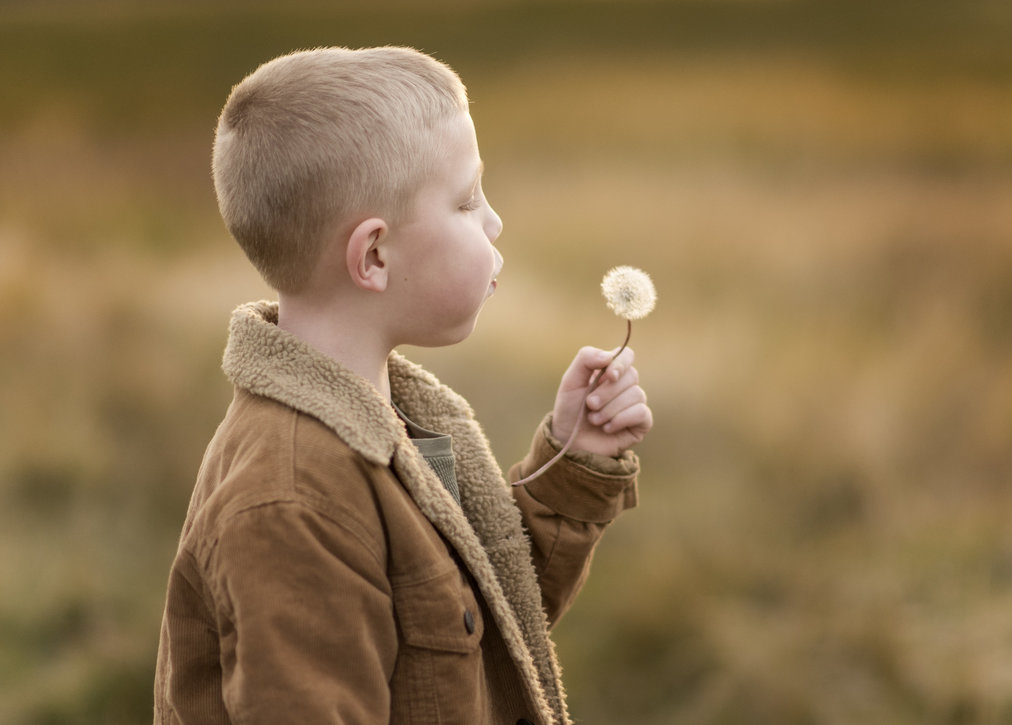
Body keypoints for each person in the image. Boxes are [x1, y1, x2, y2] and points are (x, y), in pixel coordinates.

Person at [153, 46, 652, 725]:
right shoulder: (292, 500)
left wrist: (574, 457)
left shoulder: (388, 414)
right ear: (375, 255)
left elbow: (478, 626)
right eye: (468, 199)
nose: (494, 221)